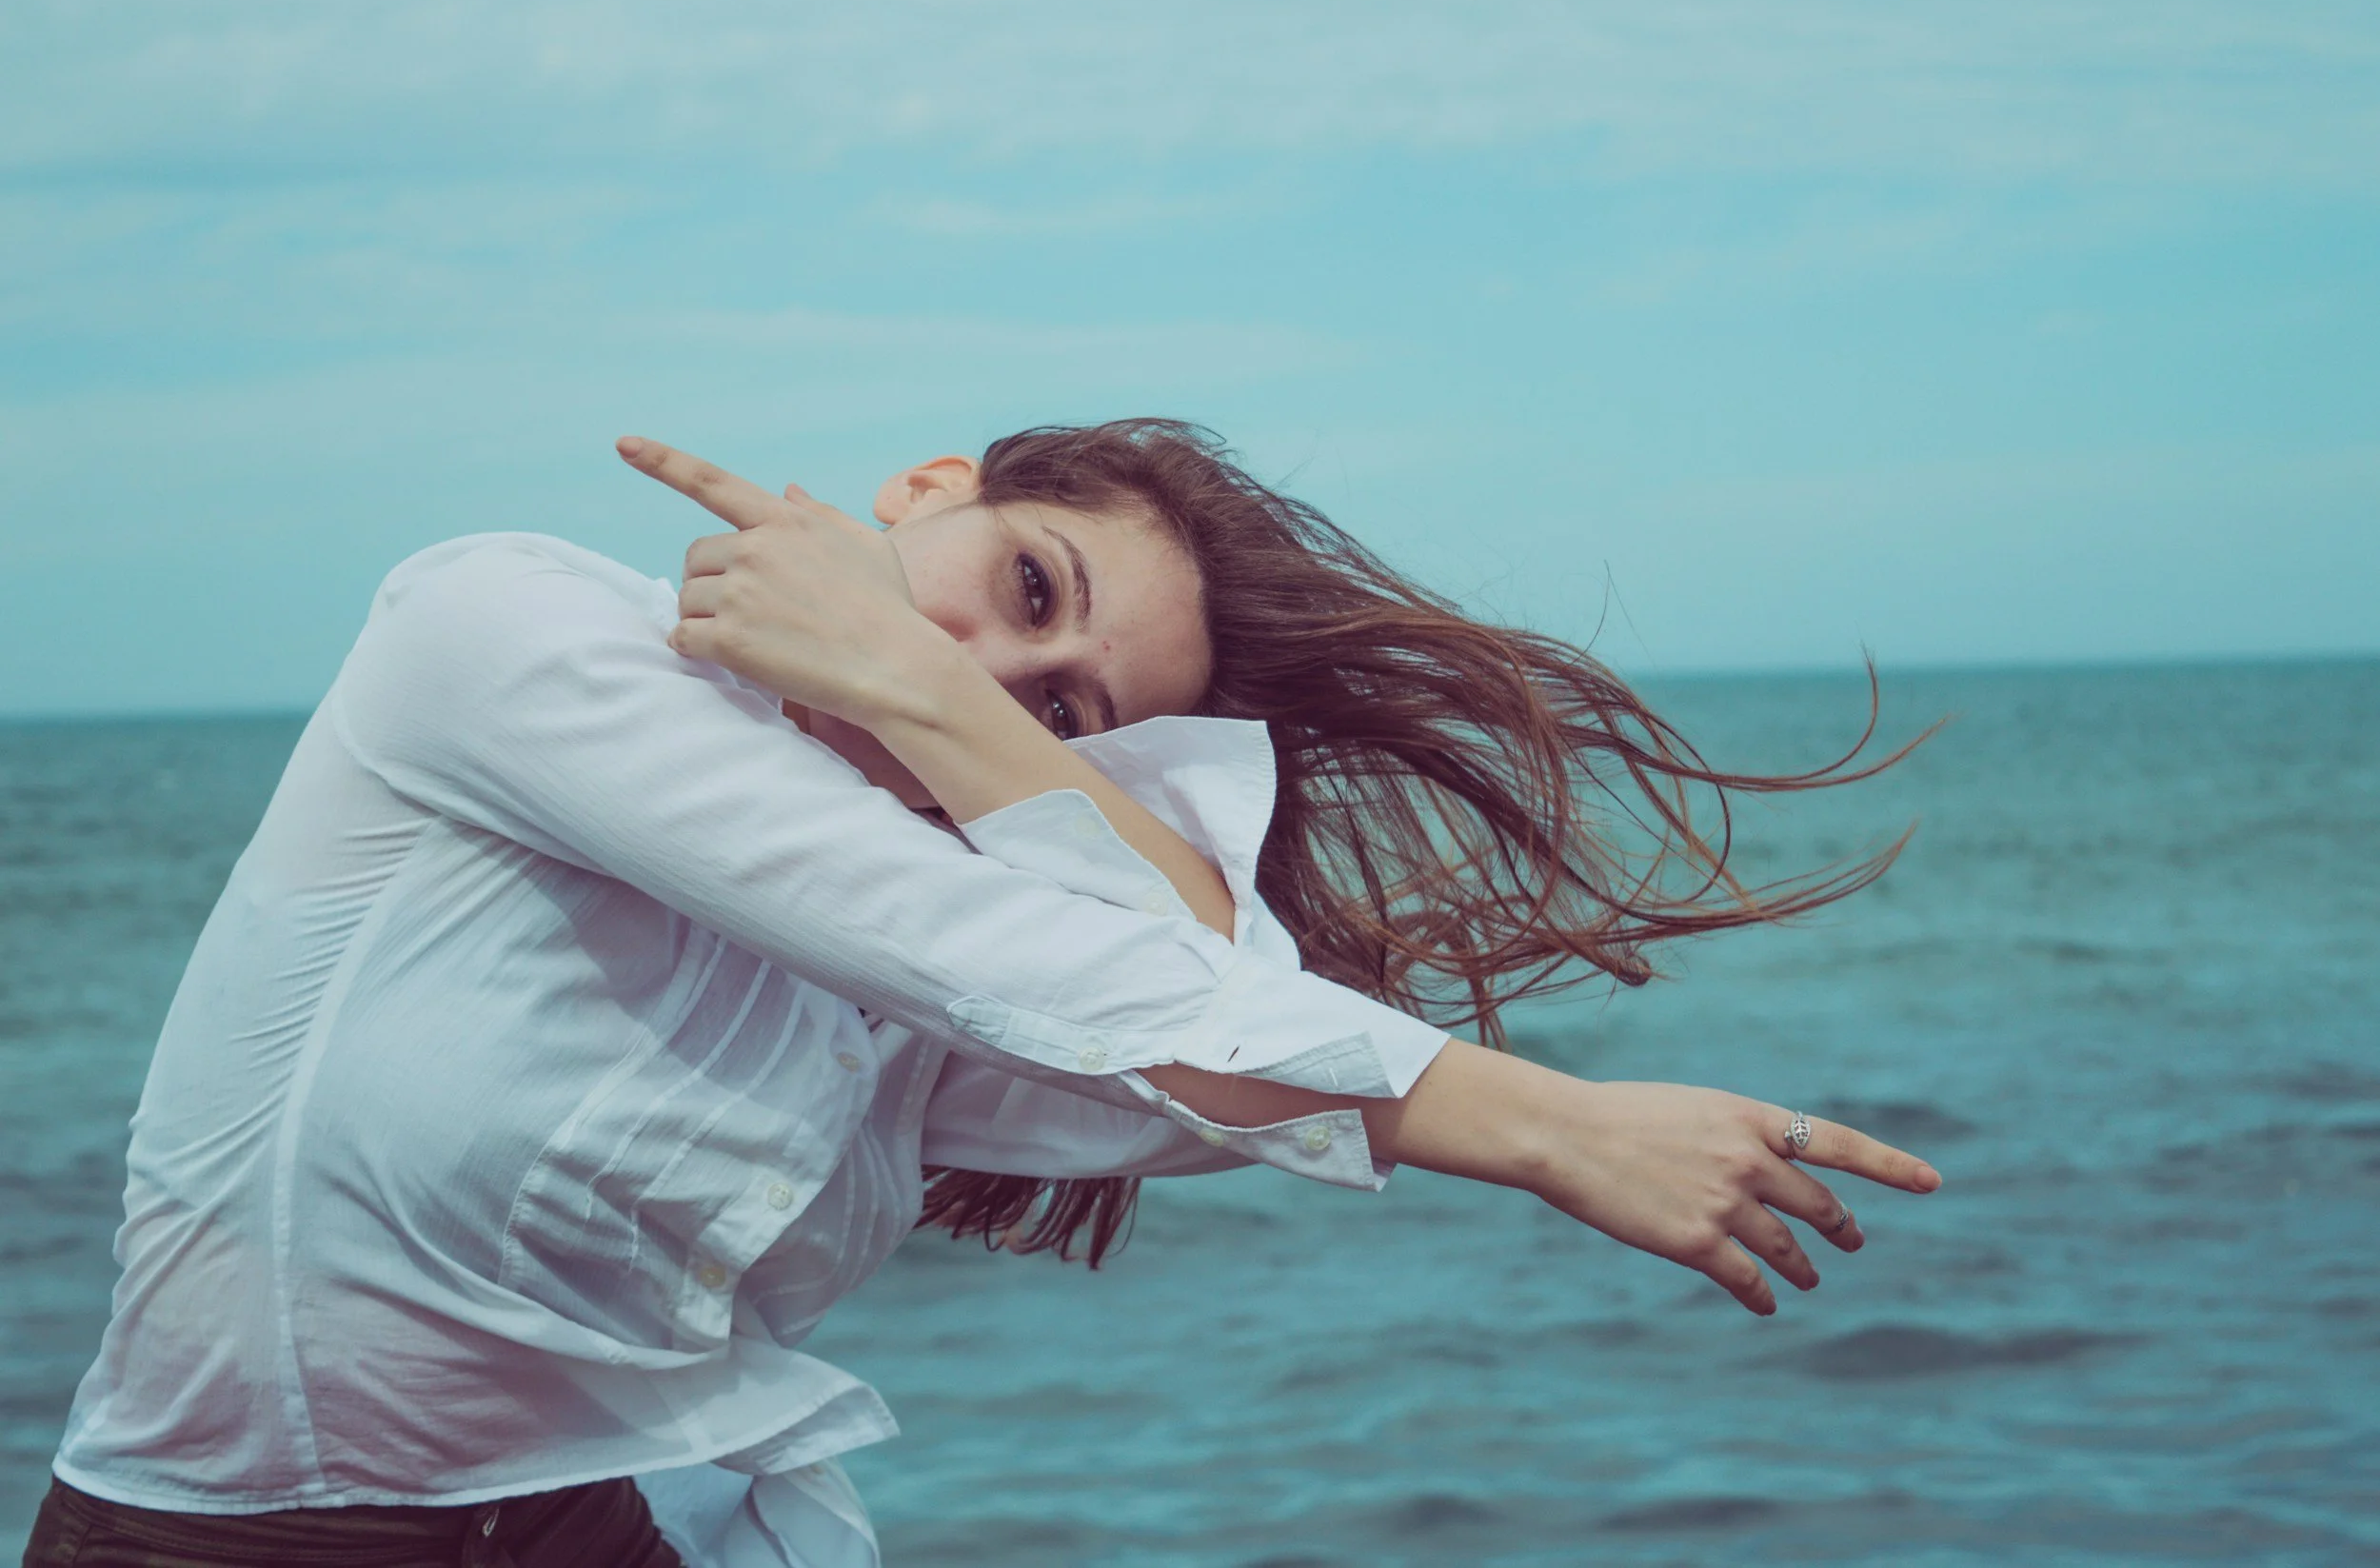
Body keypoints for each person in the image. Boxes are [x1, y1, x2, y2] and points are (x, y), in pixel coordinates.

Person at [23, 420, 1940, 1568]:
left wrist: (938, 704)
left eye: (1067, 716)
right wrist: (1543, 1127)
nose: (991, 676)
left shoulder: (947, 922)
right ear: (930, 485)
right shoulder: (513, 632)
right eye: (1020, 588)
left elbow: (1175, 1045)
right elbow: (1013, 951)